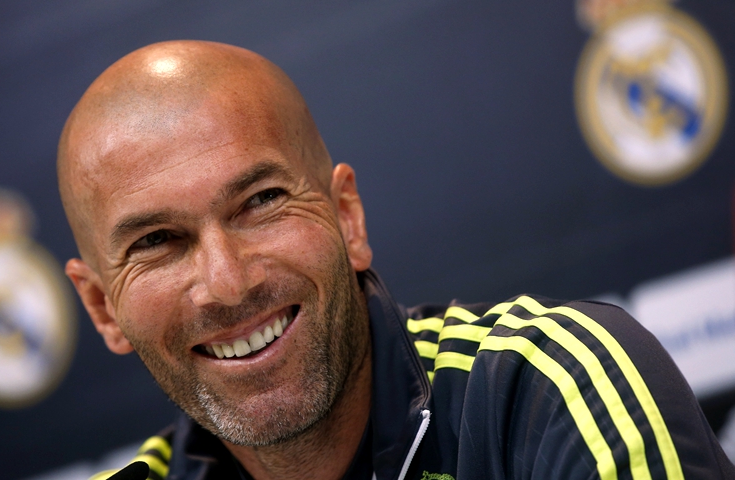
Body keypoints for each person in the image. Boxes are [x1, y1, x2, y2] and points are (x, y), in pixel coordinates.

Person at [56, 41, 735, 480]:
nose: (227, 283)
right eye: (157, 242)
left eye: (261, 202)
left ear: (347, 217)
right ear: (101, 307)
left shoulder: (553, 388)